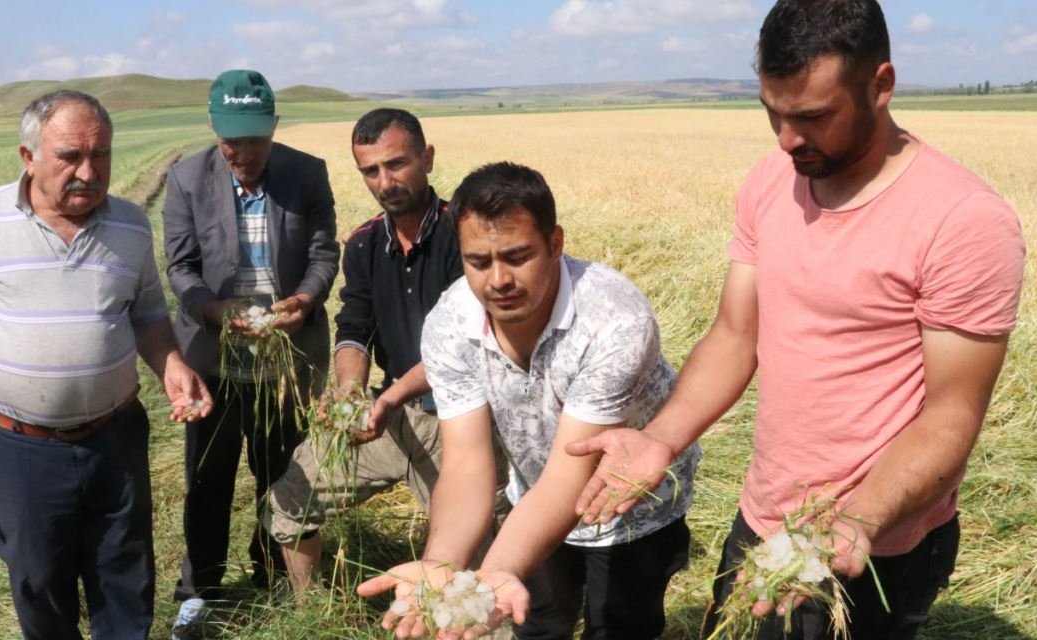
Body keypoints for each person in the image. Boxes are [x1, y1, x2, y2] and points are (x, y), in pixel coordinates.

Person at [568, 1, 1026, 638]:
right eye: (772, 113)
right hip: (763, 515)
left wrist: (860, 519)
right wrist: (660, 438)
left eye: (811, 117)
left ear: (881, 85)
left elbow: (954, 411)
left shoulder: (964, 221)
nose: (787, 139)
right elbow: (736, 334)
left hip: (872, 546)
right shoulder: (770, 182)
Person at [0, 89, 213, 640]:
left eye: (102, 155)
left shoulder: (132, 225)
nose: (89, 172)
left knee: (125, 580)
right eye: (70, 155)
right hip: (23, 450)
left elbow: (147, 317)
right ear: (28, 156)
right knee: (39, 587)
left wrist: (172, 367)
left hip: (116, 439)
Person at [357, 162, 701, 639]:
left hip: (631, 511)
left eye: (518, 256)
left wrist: (490, 573)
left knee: (621, 627)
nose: (498, 280)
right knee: (538, 625)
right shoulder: (451, 323)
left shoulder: (615, 321)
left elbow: (571, 473)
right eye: (478, 261)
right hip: (533, 503)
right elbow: (466, 464)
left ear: (555, 244)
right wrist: (445, 566)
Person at [269, 108, 505, 593]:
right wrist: (351, 392)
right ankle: (309, 611)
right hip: (388, 413)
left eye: (396, 164)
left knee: (473, 564)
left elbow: (463, 344)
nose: (385, 181)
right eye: (370, 171)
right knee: (291, 499)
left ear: (428, 158)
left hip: (462, 420)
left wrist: (388, 397)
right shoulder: (362, 246)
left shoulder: (467, 238)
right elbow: (354, 326)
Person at [162, 69, 338, 632]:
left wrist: (305, 301)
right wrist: (219, 313)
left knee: (281, 471)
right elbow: (183, 269)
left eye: (255, 139)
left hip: (285, 355)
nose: (243, 152)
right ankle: (200, 588)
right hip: (214, 354)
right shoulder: (188, 179)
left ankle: (276, 574)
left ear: (275, 127)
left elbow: (322, 254)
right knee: (209, 475)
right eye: (231, 140)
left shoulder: (307, 174)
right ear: (214, 129)